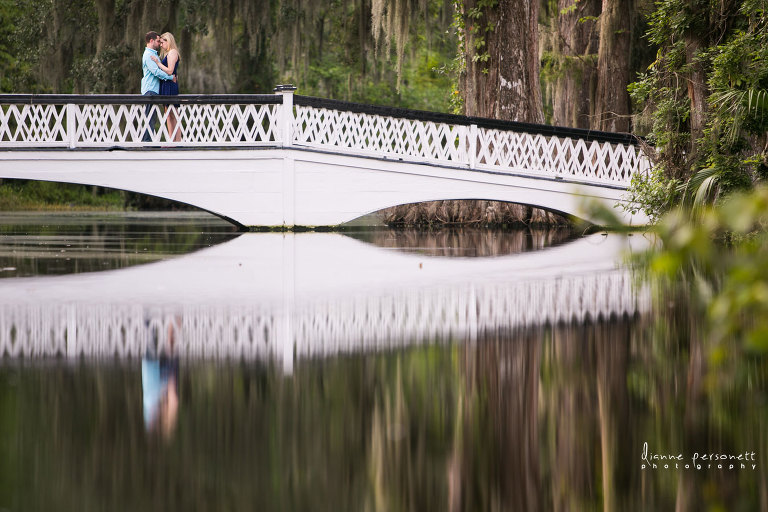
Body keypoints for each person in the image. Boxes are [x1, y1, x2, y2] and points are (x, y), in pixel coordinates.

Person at [141, 31, 176, 142]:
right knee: (150, 117)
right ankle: (147, 142)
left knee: (152, 117)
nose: (159, 44)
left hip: (154, 90)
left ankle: (149, 140)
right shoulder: (148, 55)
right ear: (151, 41)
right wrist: (170, 77)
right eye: (157, 41)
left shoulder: (154, 54)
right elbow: (156, 72)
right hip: (150, 89)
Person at [151, 32, 181, 142]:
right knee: (168, 114)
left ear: (168, 41)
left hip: (170, 85)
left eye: (162, 42)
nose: (160, 45)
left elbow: (170, 71)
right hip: (165, 84)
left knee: (174, 114)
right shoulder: (167, 53)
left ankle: (178, 140)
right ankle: (171, 140)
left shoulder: (173, 52)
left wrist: (157, 63)